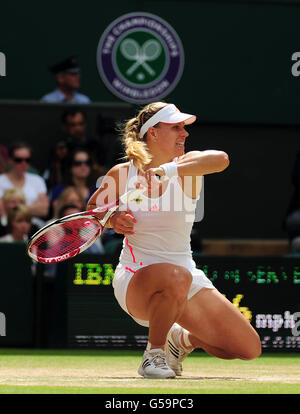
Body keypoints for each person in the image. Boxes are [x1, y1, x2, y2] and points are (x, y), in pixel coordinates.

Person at [87, 102, 261, 379]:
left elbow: (222, 159)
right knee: (177, 276)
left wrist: (164, 172)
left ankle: (179, 341)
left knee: (246, 348)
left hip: (185, 275)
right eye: (176, 127)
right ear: (153, 133)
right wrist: (113, 219)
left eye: (184, 127)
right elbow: (94, 212)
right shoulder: (121, 174)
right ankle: (152, 356)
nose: (185, 133)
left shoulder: (188, 167)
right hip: (136, 279)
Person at [0, 142, 49, 220]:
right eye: (18, 160)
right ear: (10, 160)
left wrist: (13, 207)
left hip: (34, 226)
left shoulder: (37, 180)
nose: (24, 163)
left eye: (27, 160)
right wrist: (34, 207)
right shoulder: (1, 180)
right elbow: (1, 210)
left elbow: (44, 210)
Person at [60, 107, 106, 176]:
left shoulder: (95, 145)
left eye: (80, 124)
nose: (77, 128)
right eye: (73, 125)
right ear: (65, 127)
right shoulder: (61, 148)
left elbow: (102, 172)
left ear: (85, 124)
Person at [50, 148, 97, 213]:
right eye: (78, 163)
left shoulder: (96, 191)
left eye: (87, 162)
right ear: (70, 167)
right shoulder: (60, 189)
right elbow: (57, 213)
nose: (83, 166)